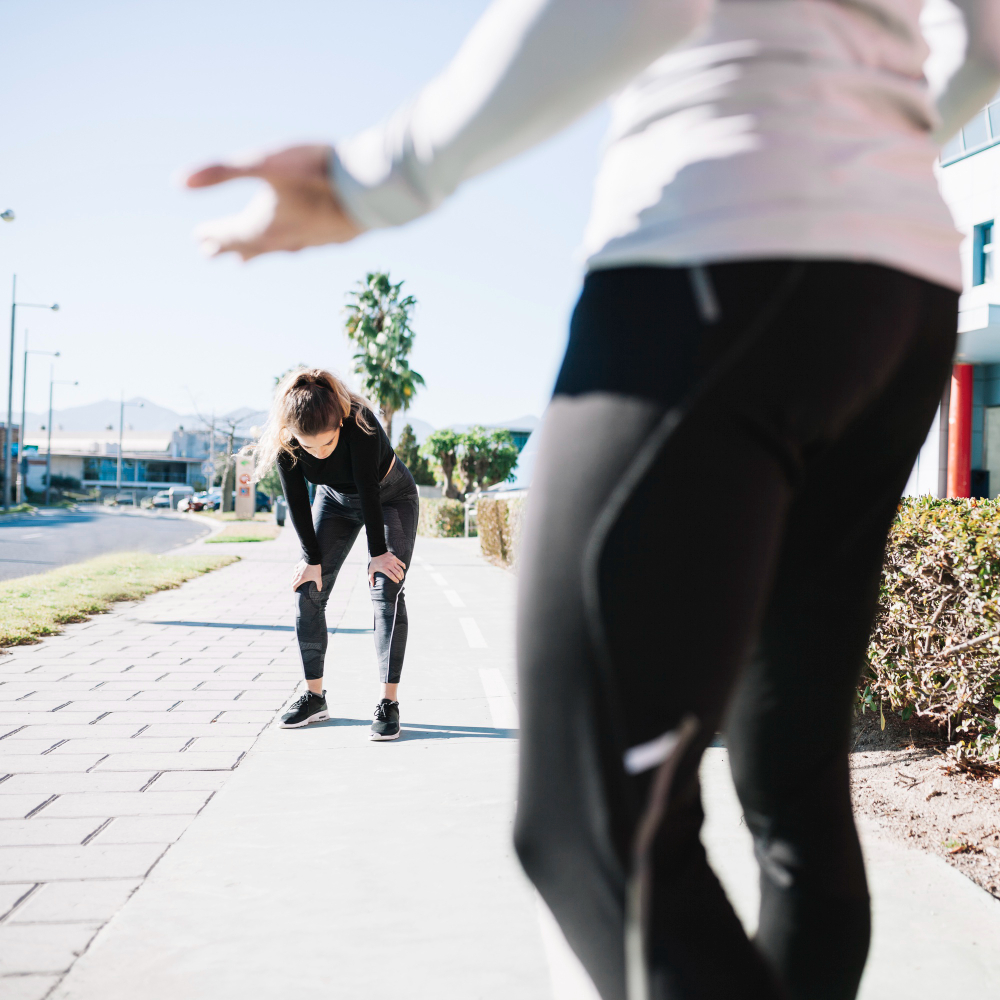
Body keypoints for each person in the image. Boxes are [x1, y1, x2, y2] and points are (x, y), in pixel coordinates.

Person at [185, 1, 1000, 996]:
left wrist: (379, 180)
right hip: (902, 279)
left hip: (722, 242)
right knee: (792, 776)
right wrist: (879, 129)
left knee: (584, 814)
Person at [254, 368, 418, 741]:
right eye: (308, 446)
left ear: (339, 423)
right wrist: (311, 559)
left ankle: (388, 703)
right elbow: (297, 502)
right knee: (307, 590)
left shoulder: (359, 421)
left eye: (326, 444)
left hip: (390, 496)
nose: (318, 453)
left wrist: (378, 554)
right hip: (334, 502)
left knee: (385, 586)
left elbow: (369, 489)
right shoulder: (286, 440)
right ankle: (315, 698)